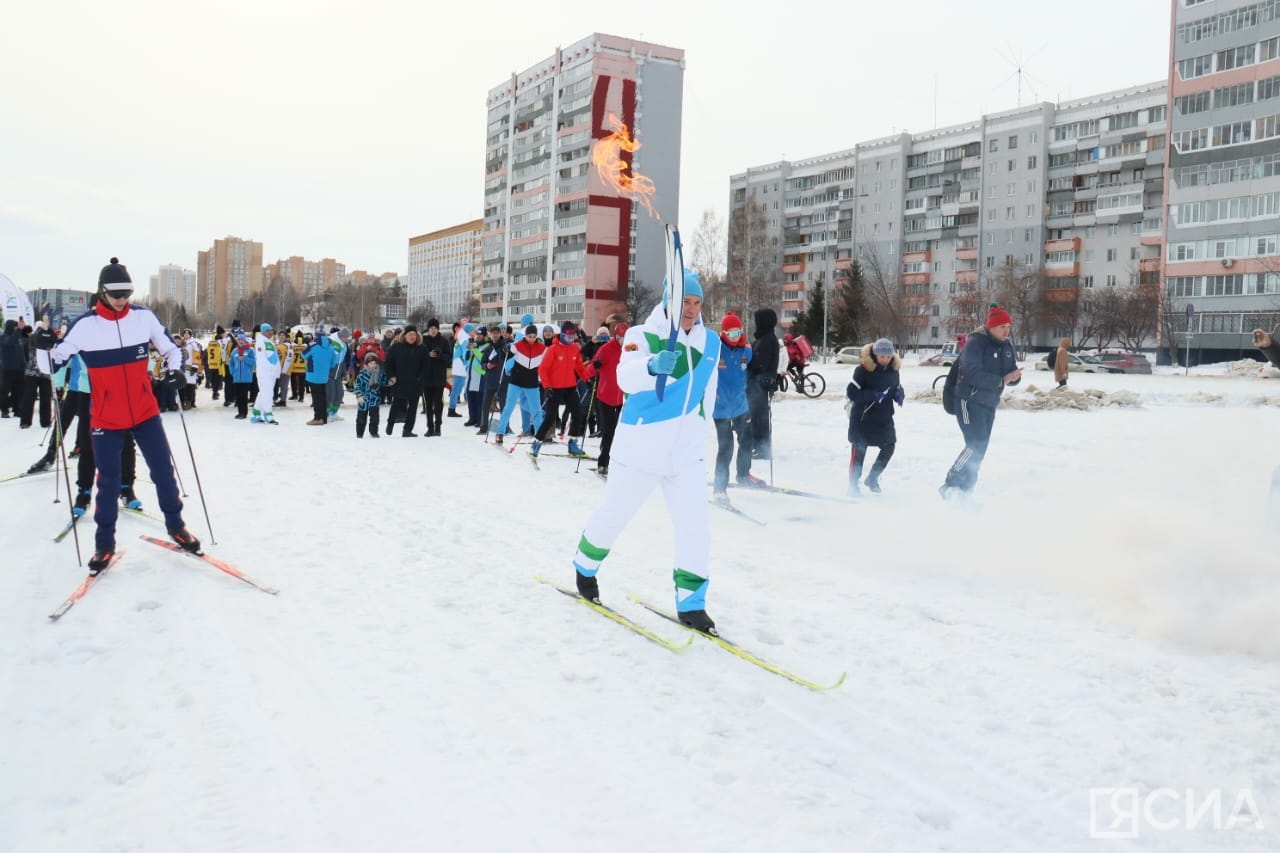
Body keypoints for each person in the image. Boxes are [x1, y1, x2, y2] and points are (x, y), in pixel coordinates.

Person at [570, 270, 720, 633]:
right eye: (685, 301)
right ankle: (584, 567)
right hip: (640, 447)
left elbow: (707, 397)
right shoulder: (642, 335)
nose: (692, 309)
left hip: (685, 453)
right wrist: (651, 366)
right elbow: (625, 378)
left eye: (697, 302)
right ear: (670, 299)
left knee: (694, 527)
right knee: (615, 514)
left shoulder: (711, 342)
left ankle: (692, 602)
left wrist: (700, 426)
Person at [48, 258, 200, 572]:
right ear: (102, 292)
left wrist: (175, 372)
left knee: (163, 472)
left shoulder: (143, 318)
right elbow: (51, 363)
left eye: (127, 293)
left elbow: (171, 349)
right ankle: (104, 545)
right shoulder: (86, 326)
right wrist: (43, 345)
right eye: (116, 293)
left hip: (145, 411)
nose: (122, 300)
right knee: (108, 481)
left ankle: (176, 526)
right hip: (106, 416)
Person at [939, 303, 1022, 501]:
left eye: (1008, 327)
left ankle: (965, 493)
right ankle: (951, 483)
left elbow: (1010, 370)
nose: (1006, 331)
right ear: (991, 326)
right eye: (1002, 327)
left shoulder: (1007, 346)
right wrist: (1001, 380)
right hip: (968, 401)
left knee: (980, 448)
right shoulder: (975, 343)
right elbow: (971, 373)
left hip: (989, 404)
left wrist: (1015, 377)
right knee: (975, 444)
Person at [846, 338, 904, 496]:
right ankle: (853, 485)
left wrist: (899, 394)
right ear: (875, 355)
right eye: (882, 357)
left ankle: (872, 478)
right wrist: (873, 395)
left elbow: (896, 387)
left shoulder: (893, 370)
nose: (885, 360)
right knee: (859, 451)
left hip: (883, 418)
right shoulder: (863, 370)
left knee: (889, 446)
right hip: (863, 419)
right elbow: (852, 392)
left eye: (888, 357)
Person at [711, 312, 757, 500]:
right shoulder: (716, 350)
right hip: (720, 407)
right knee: (726, 447)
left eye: (737, 332)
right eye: (730, 333)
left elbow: (754, 371)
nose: (734, 336)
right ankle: (719, 487)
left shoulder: (747, 351)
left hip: (740, 406)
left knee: (747, 441)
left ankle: (743, 474)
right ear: (723, 333)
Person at [533, 320, 588, 458]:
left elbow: (579, 367)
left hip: (570, 386)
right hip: (554, 388)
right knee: (550, 417)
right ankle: (537, 442)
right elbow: (543, 369)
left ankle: (572, 444)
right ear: (562, 335)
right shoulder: (553, 349)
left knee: (578, 413)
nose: (570, 340)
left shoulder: (575, 348)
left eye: (572, 337)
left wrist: (588, 378)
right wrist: (547, 386)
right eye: (567, 337)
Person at [583, 316, 626, 475]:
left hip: (623, 398)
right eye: (620, 338)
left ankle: (619, 461)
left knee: (622, 432)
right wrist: (594, 366)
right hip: (606, 397)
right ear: (616, 336)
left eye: (625, 338)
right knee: (609, 431)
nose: (623, 341)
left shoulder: (632, 349)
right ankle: (603, 463)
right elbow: (591, 368)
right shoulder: (607, 348)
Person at [495, 324, 546, 446]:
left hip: (532, 383)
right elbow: (504, 354)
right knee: (508, 408)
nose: (532, 339)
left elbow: (549, 361)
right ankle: (500, 433)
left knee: (536, 411)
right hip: (516, 382)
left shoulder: (542, 348)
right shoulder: (517, 345)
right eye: (529, 336)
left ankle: (539, 436)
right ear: (525, 335)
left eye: (534, 336)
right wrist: (505, 349)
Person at [746, 308, 780, 461]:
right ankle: (759, 446)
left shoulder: (767, 339)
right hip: (757, 384)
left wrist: (746, 361)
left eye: (758, 320)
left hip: (761, 385)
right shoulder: (765, 338)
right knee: (756, 415)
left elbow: (760, 364)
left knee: (760, 417)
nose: (755, 323)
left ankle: (762, 448)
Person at [384, 324, 428, 436]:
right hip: (399, 382)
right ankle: (390, 423)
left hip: (415, 383)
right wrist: (391, 376)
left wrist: (420, 377)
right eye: (410, 334)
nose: (412, 336)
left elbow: (426, 366)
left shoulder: (422, 348)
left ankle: (407, 430)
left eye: (414, 334)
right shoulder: (396, 347)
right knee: (396, 404)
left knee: (413, 408)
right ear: (405, 336)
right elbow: (388, 364)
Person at [420, 319, 451, 436]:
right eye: (431, 328)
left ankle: (438, 426)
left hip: (439, 377)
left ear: (438, 329)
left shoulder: (444, 341)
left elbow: (449, 358)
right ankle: (430, 427)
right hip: (426, 377)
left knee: (438, 403)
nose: (433, 330)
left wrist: (439, 355)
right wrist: (427, 355)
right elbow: (419, 357)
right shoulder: (423, 341)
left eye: (435, 328)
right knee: (428, 404)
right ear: (428, 330)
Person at [304, 330, 337, 425]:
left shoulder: (313, 346)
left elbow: (303, 355)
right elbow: (334, 363)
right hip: (324, 376)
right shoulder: (330, 348)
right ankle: (324, 418)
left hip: (313, 375)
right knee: (323, 397)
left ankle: (317, 418)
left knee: (316, 398)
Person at [354, 352, 389, 438]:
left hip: (375, 399)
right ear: (366, 364)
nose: (373, 365)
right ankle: (359, 433)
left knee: (375, 418)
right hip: (364, 399)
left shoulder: (380, 373)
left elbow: (384, 382)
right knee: (361, 418)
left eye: (375, 363)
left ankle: (374, 432)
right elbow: (357, 385)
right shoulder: (362, 374)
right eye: (371, 363)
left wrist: (390, 381)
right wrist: (359, 395)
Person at [227, 333, 256, 419]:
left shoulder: (250, 350)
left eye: (242, 340)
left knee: (243, 396)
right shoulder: (235, 351)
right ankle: (239, 412)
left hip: (246, 377)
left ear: (245, 341)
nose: (240, 342)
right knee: (238, 396)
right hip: (236, 378)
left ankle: (244, 413)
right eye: (239, 340)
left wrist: (245, 358)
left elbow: (254, 362)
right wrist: (232, 372)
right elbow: (231, 363)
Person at [206, 326, 226, 401]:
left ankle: (215, 392)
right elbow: (221, 352)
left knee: (214, 379)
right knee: (218, 379)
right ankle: (215, 393)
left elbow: (208, 351)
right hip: (218, 364)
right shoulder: (220, 342)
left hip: (211, 364)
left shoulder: (210, 342)